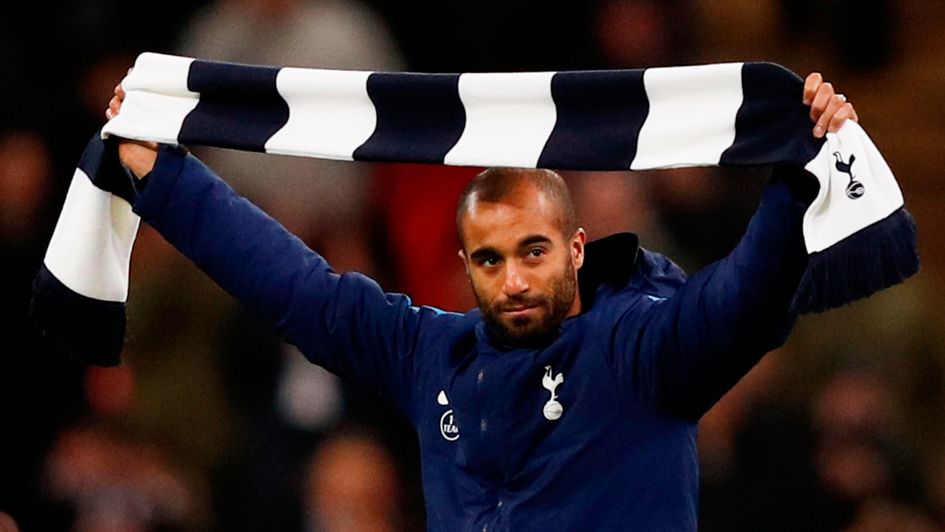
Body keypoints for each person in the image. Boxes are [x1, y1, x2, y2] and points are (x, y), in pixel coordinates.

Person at [107, 74, 857, 530]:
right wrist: (164, 177)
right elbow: (299, 290)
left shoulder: (645, 347)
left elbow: (744, 297)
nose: (515, 280)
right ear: (465, 267)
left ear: (575, 247)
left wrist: (798, 176)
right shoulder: (430, 350)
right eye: (490, 261)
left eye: (533, 251)